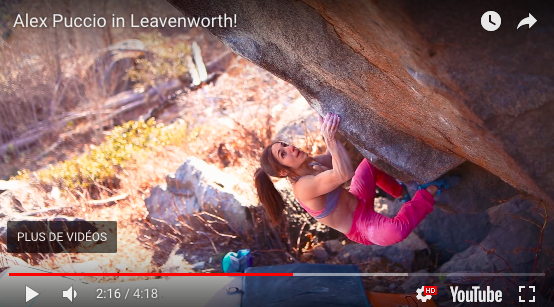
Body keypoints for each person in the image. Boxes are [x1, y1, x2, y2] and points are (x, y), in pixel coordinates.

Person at [254, 113, 458, 246]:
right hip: (360, 226)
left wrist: (327, 127)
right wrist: (331, 140)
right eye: (283, 154)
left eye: (284, 145)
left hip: (358, 197)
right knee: (394, 232)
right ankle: (429, 192)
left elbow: (336, 157)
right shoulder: (302, 187)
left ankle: (401, 193)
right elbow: (343, 174)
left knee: (370, 163)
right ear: (282, 172)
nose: (290, 148)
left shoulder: (310, 164)